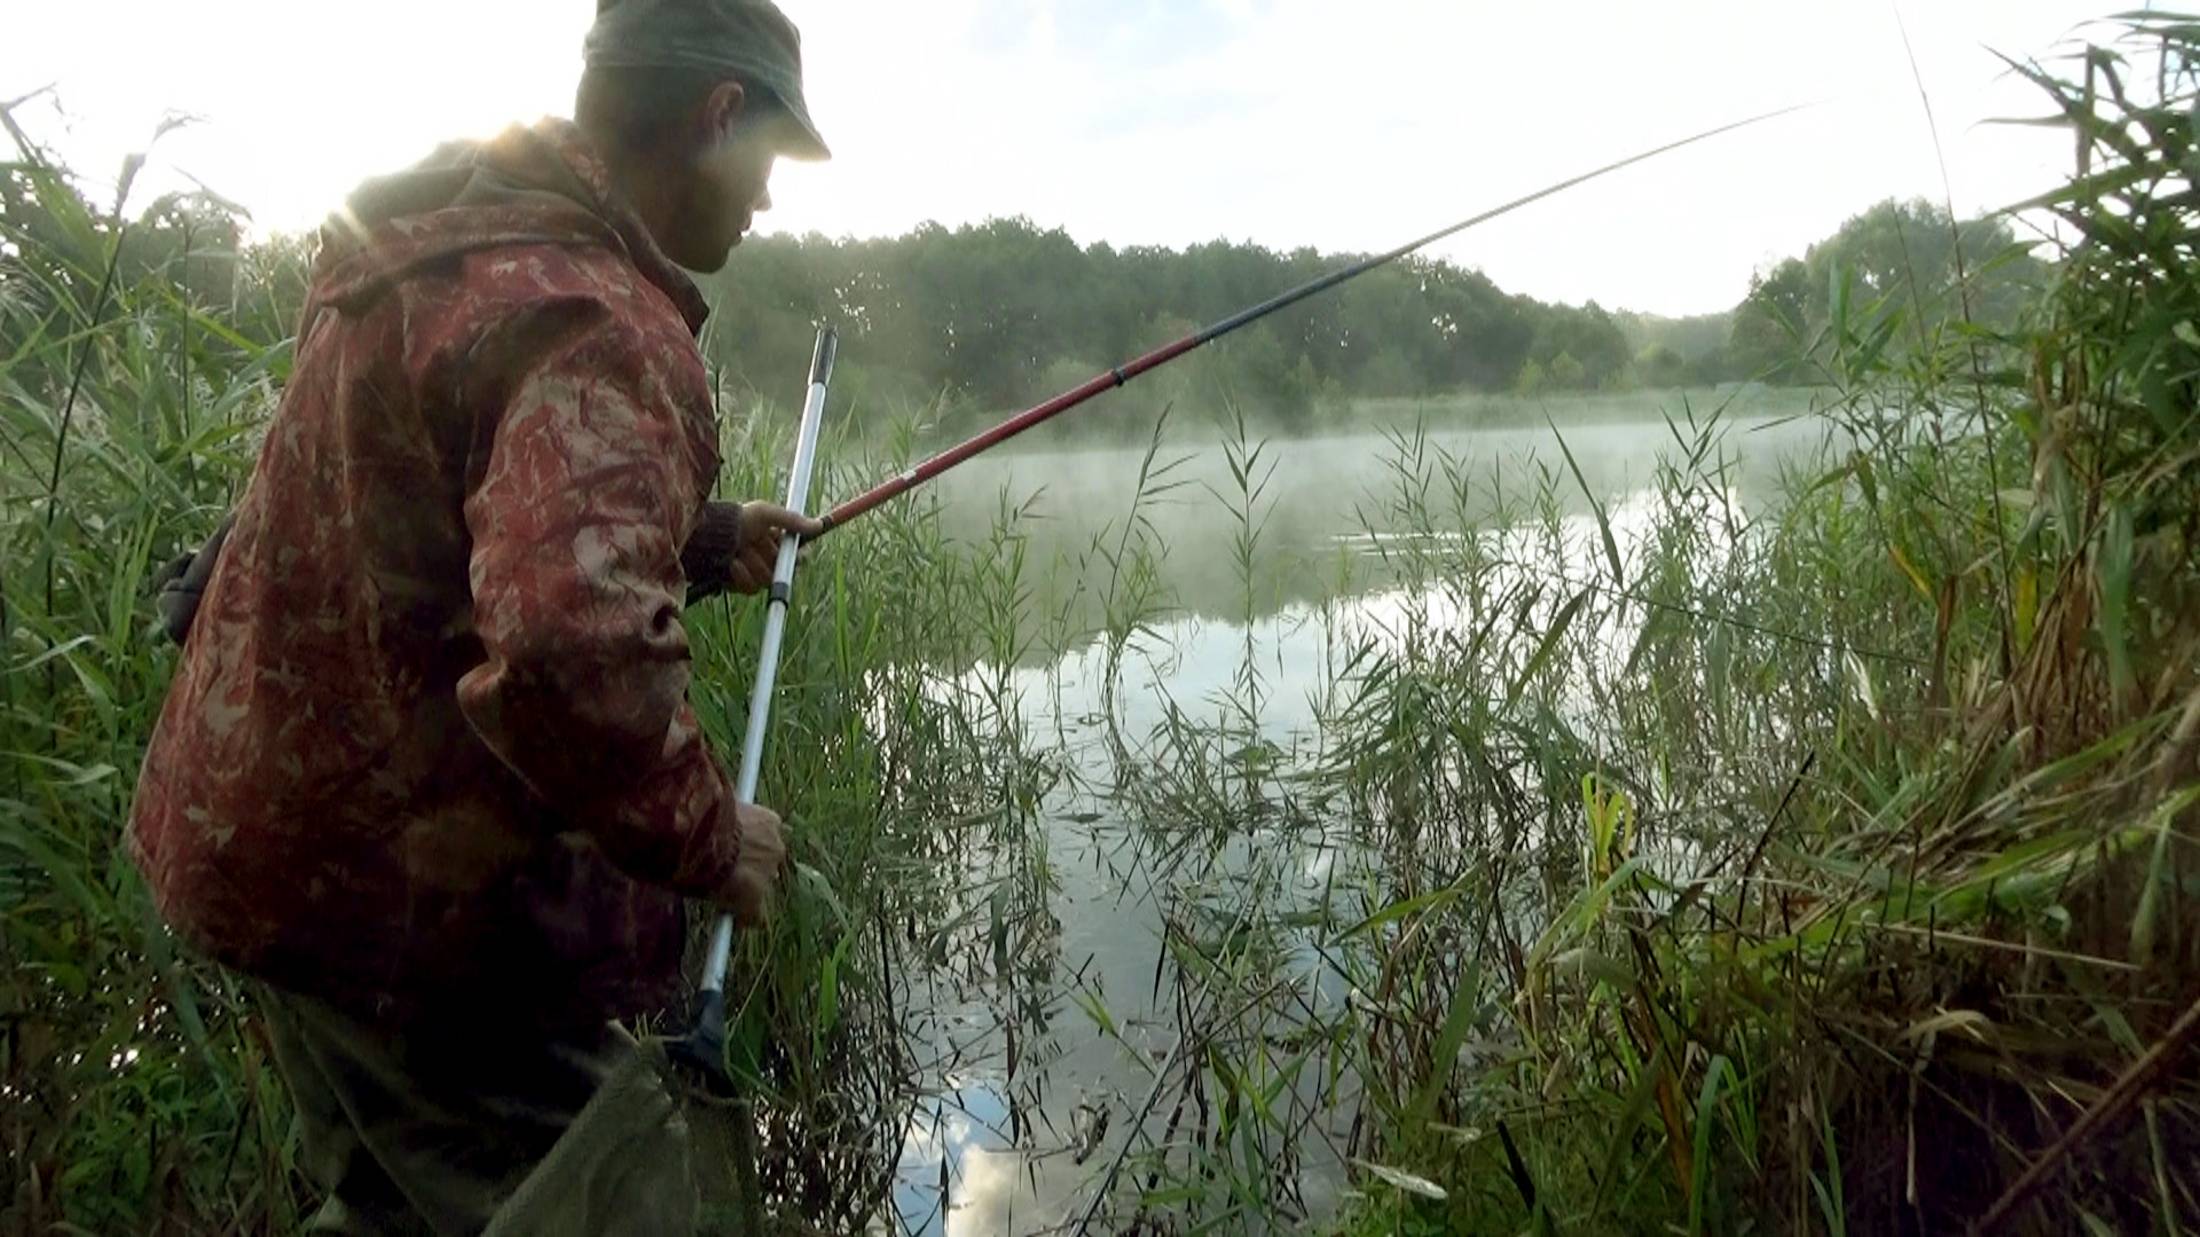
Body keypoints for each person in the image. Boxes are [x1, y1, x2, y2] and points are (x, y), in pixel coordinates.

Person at [126, 1, 830, 1231]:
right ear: (719, 116)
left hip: (260, 856)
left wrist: (708, 540)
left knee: (395, 1205)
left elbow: (431, 513)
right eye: (768, 162)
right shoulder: (598, 315)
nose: (766, 203)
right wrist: (713, 837)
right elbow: (571, 649)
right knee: (621, 1202)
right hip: (399, 914)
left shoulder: (441, 247)